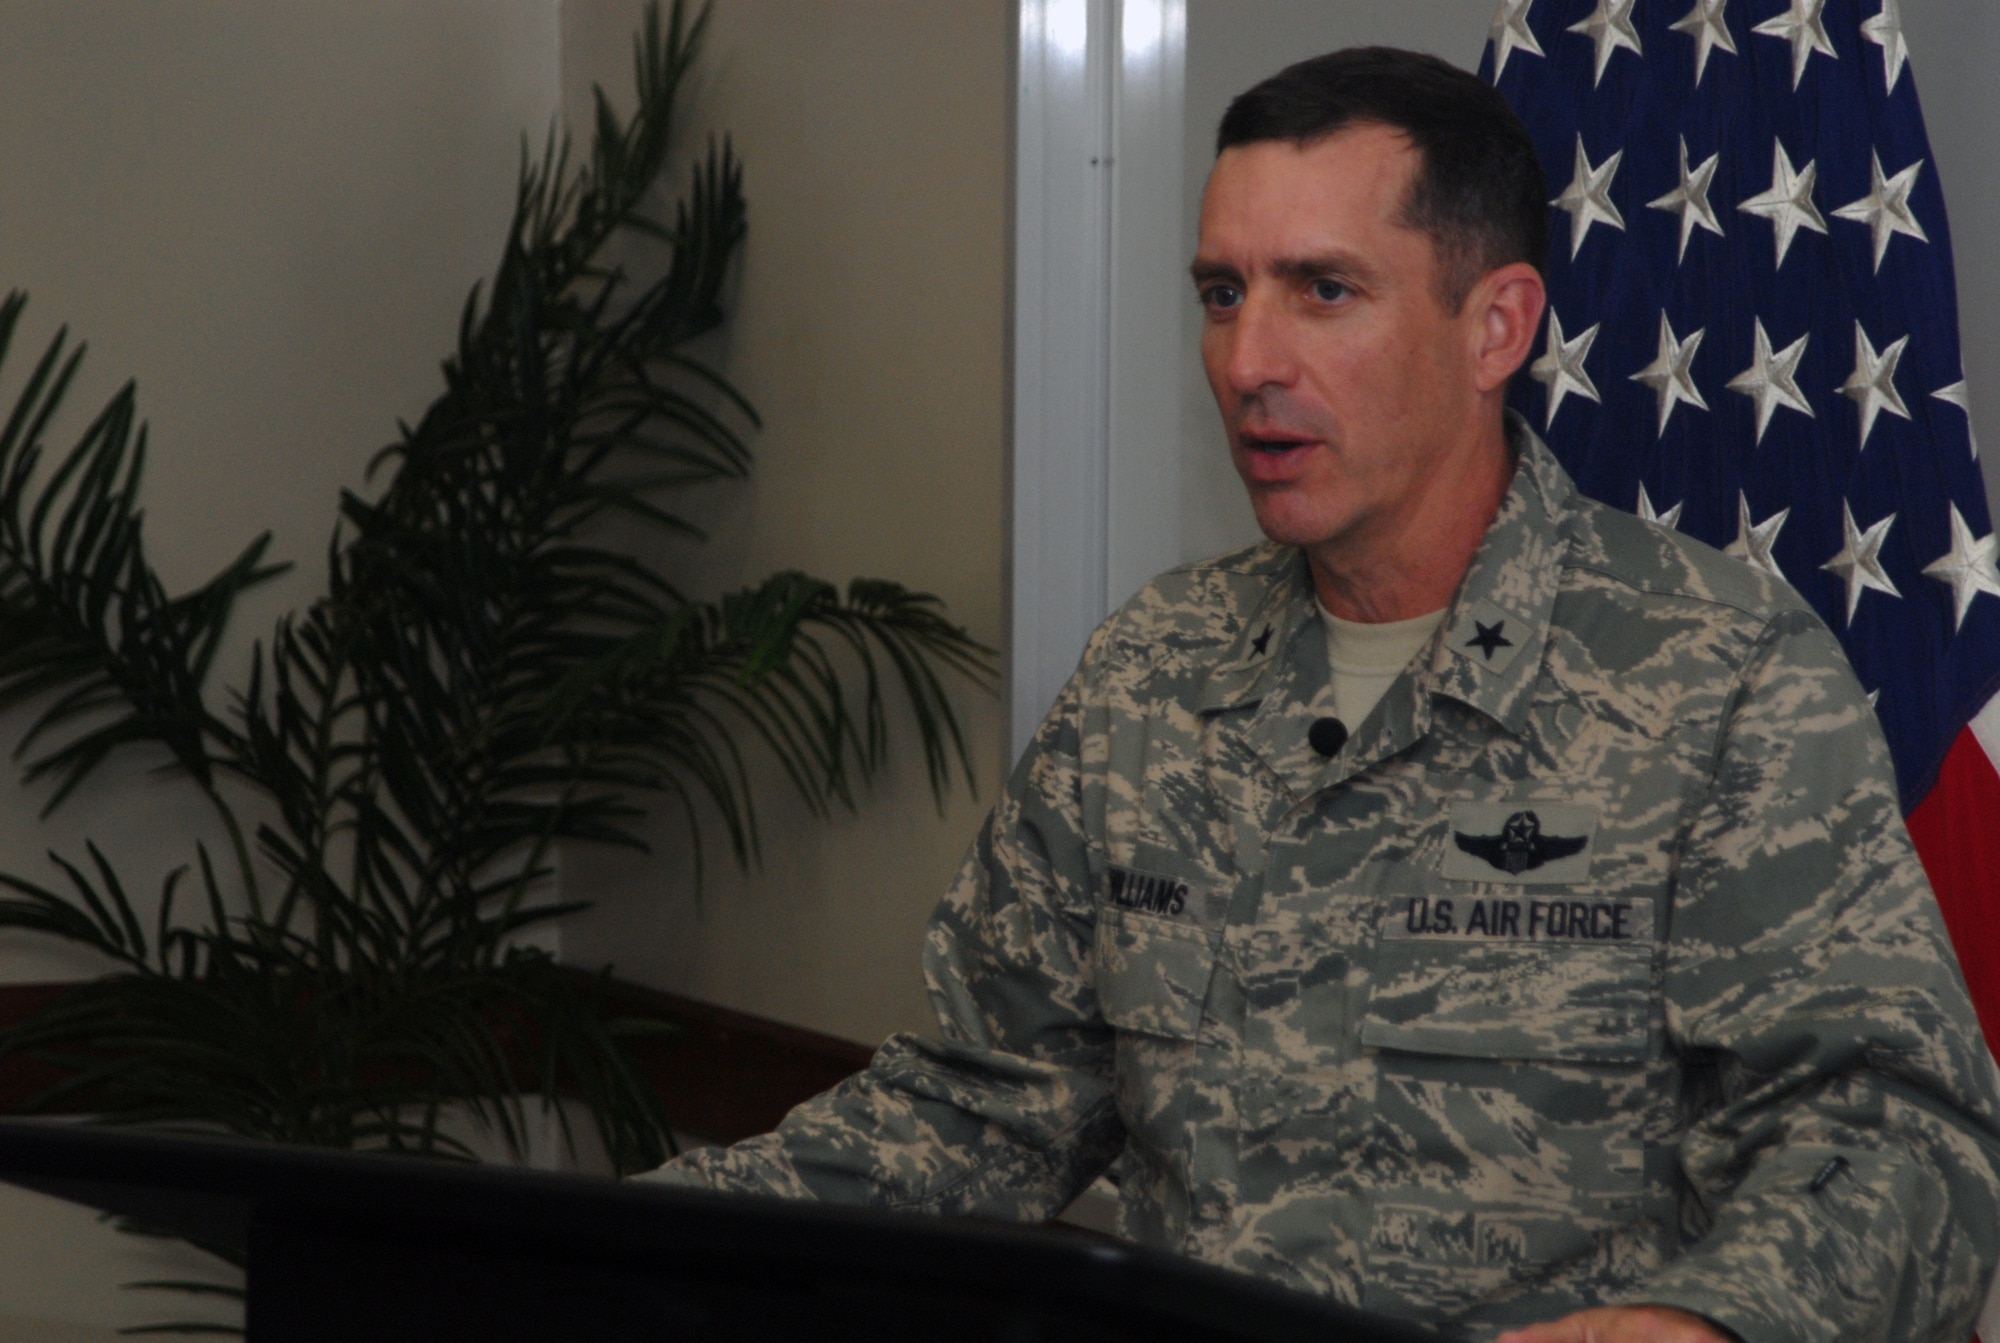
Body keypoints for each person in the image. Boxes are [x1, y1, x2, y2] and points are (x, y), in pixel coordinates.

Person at [640, 48, 2000, 1343]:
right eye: (1223, 294)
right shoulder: (1152, 677)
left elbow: (1896, 1133)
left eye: (1322, 291)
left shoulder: (1719, 677)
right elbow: (981, 1109)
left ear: (1496, 328)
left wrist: (1706, 1322)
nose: (1247, 363)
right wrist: (602, 1251)